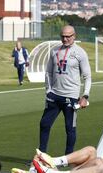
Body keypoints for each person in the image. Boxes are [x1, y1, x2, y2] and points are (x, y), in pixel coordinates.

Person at [40, 25, 92, 154]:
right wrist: (48, 91)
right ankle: (41, 156)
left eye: (68, 36)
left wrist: (85, 96)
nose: (65, 39)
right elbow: (48, 72)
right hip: (54, 95)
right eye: (63, 36)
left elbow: (87, 76)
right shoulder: (54, 50)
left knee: (70, 128)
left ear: (74, 36)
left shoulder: (80, 53)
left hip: (71, 96)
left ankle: (68, 157)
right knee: (44, 124)